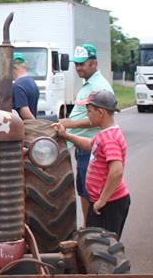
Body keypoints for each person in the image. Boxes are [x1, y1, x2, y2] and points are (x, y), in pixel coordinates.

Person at [54, 90, 131, 238]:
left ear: (101, 112)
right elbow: (91, 145)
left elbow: (117, 171)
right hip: (101, 202)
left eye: (89, 111)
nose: (87, 115)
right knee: (93, 242)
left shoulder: (110, 138)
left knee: (105, 247)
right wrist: (66, 135)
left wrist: (102, 201)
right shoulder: (104, 133)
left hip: (109, 203)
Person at [55, 44, 114, 220]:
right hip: (82, 148)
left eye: (83, 64)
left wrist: (70, 124)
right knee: (83, 190)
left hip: (93, 149)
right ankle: (88, 228)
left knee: (93, 192)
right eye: (76, 64)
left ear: (94, 63)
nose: (78, 68)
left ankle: (96, 231)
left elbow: (98, 119)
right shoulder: (87, 85)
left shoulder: (99, 87)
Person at [11, 52, 39, 119]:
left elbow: (25, 112)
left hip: (24, 127)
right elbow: (35, 109)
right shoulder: (32, 82)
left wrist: (35, 125)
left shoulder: (17, 86)